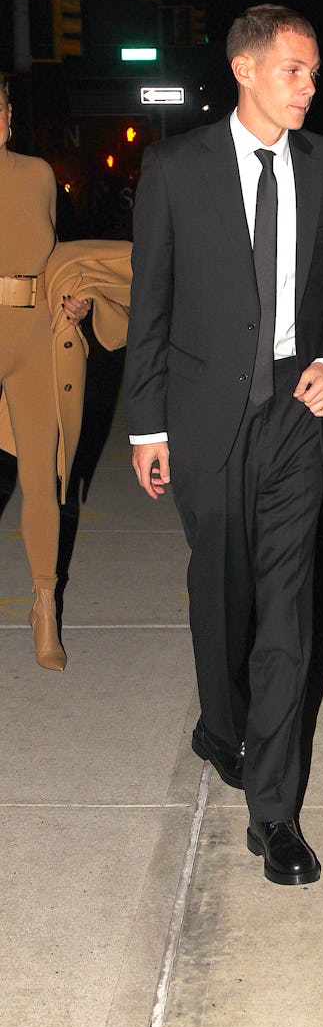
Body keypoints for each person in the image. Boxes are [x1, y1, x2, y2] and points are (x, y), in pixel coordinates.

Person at [125, 5, 323, 886]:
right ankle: (220, 729)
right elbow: (148, 305)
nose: (310, 85)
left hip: (295, 418)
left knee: (285, 611)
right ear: (247, 69)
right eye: (295, 70)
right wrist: (147, 425)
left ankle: (275, 815)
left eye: (312, 71)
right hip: (202, 419)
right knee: (220, 593)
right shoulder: (177, 168)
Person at [0, 75, 108, 671]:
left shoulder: (37, 175)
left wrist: (77, 299)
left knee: (43, 476)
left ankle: (45, 607)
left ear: (9, 116)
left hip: (33, 337)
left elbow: (54, 260)